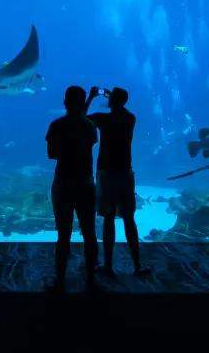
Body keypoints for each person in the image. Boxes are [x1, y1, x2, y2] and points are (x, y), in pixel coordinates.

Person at [85, 86, 151, 277]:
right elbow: (117, 109)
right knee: (129, 219)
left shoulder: (103, 118)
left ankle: (107, 265)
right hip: (125, 172)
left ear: (113, 100)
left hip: (106, 172)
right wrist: (111, 96)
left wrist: (91, 96)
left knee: (108, 219)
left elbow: (81, 118)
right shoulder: (130, 118)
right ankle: (137, 265)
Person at [45, 85, 100, 291]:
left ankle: (60, 278)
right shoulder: (90, 126)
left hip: (62, 185)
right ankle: (91, 277)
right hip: (85, 185)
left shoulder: (56, 125)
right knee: (89, 233)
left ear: (65, 102)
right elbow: (82, 122)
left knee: (63, 235)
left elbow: (51, 154)